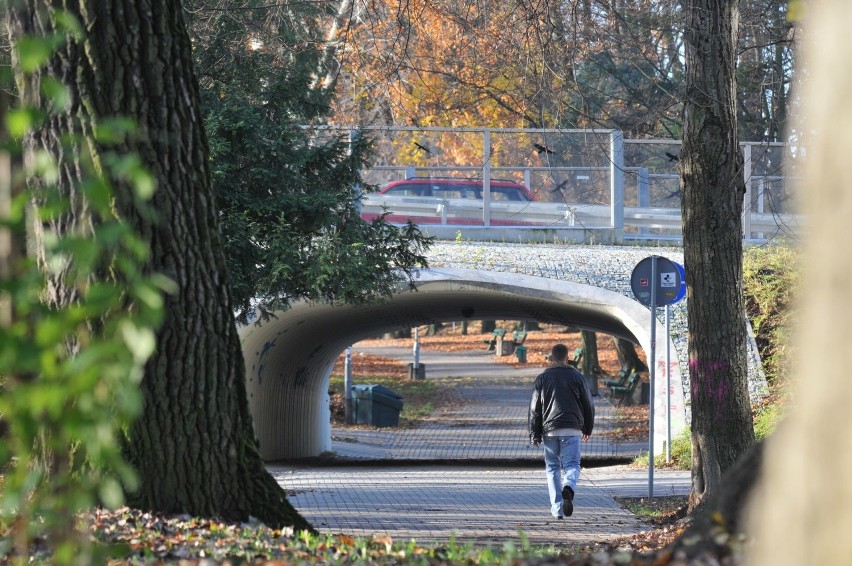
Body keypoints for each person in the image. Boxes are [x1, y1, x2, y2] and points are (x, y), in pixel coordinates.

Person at [529, 343, 595, 520]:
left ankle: (557, 509)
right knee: (572, 465)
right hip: (572, 429)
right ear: (568, 357)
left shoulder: (542, 378)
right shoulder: (577, 376)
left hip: (549, 430)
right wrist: (587, 428)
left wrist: (534, 433)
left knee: (552, 468)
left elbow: (535, 408)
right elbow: (588, 404)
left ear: (551, 358)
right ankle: (569, 487)